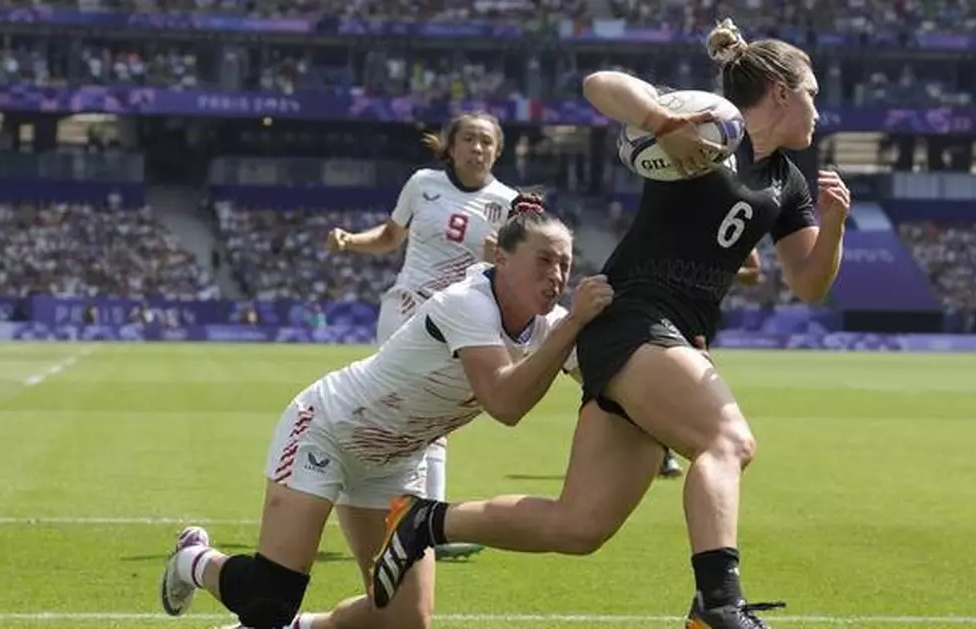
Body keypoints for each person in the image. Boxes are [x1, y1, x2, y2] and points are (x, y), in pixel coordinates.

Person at [368, 17, 852, 629]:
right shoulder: (706, 124)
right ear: (782, 91)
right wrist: (661, 125)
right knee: (728, 442)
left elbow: (810, 282)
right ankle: (718, 608)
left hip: (665, 336)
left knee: (579, 526)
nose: (818, 107)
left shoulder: (788, 181)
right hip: (633, 319)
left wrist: (833, 225)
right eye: (812, 91)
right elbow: (602, 83)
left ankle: (423, 521)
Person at [158, 197, 614, 629]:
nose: (557, 276)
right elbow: (505, 403)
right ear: (503, 259)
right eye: (544, 261)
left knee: (402, 620)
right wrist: (574, 325)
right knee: (269, 599)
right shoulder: (468, 304)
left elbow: (608, 379)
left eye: (565, 265)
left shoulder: (549, 327)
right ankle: (194, 559)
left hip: (394, 462)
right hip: (329, 431)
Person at [325, 112, 519, 560]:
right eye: (469, 139)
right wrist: (352, 241)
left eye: (486, 141)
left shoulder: (508, 203)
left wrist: (499, 259)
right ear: (450, 147)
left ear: (497, 151)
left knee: (436, 421)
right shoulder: (423, 183)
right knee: (400, 409)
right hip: (408, 309)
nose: (477, 148)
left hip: (463, 320)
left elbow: (515, 269)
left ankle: (414, 520)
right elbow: (392, 236)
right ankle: (416, 521)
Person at [659, 248, 763, 479]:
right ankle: (666, 452)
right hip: (671, 310)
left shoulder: (739, 226)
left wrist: (723, 271)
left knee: (687, 383)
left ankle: (682, 447)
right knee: (675, 380)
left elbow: (755, 273)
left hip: (705, 315)